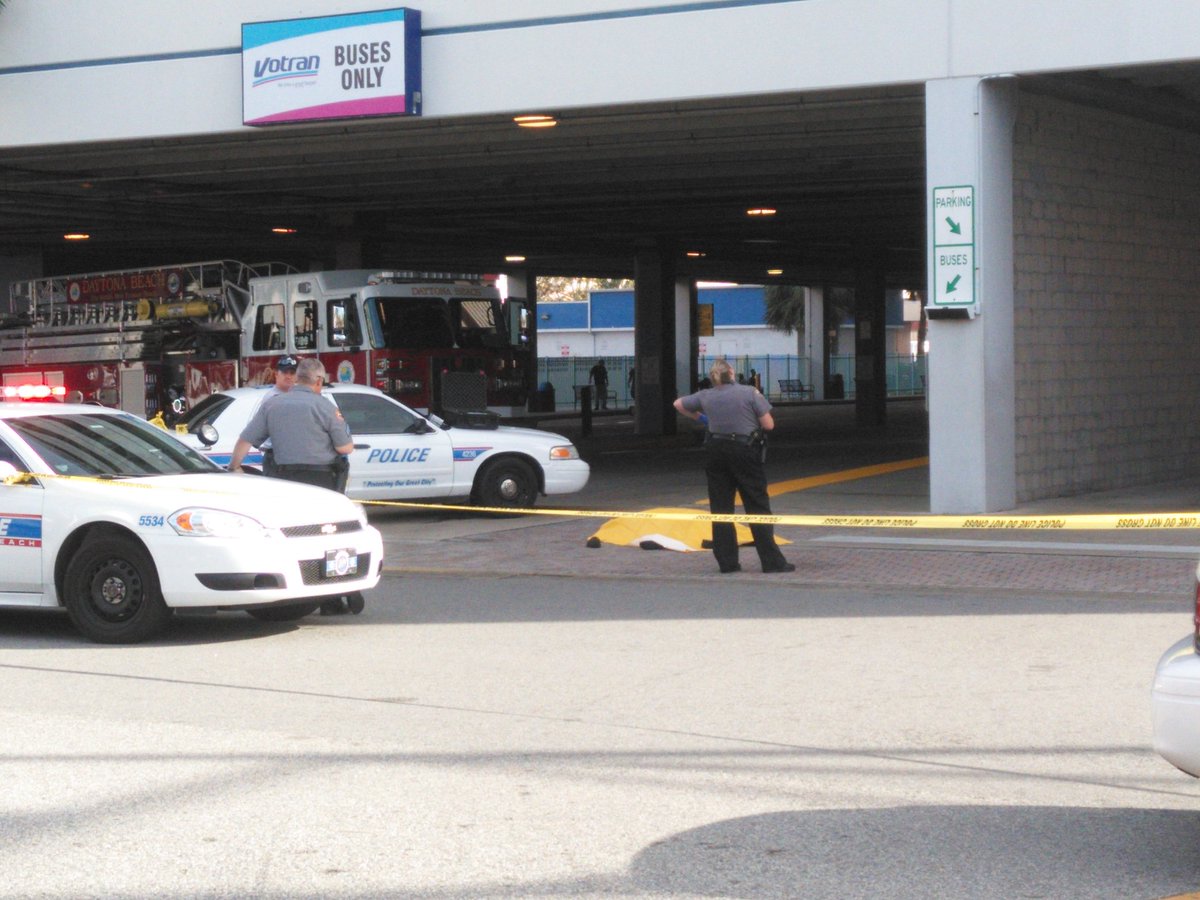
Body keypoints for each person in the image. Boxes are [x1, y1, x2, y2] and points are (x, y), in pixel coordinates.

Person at [229, 358, 363, 615]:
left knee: (289, 538)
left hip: (283, 483)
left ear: (298, 378)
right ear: (319, 381)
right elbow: (345, 448)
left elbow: (245, 440)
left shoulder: (273, 404)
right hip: (322, 484)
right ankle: (332, 598)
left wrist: (234, 467)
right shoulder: (325, 407)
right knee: (328, 539)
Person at [674, 357, 794, 575]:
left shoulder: (705, 395)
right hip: (744, 450)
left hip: (715, 450)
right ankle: (772, 562)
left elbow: (678, 404)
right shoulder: (749, 392)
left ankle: (727, 563)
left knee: (721, 508)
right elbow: (769, 424)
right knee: (757, 506)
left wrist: (702, 419)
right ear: (732, 373)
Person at [257, 355, 298, 476]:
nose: (288, 376)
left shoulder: (299, 396)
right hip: (275, 457)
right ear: (276, 374)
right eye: (285, 372)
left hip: (295, 457)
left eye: (292, 372)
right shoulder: (271, 398)